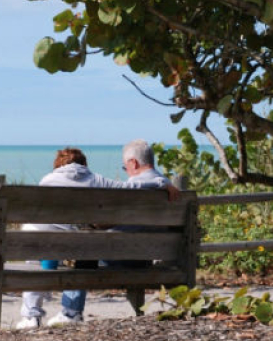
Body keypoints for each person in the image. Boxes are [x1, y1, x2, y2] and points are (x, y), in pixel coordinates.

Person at [16, 141, 177, 329]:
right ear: (84, 165)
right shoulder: (97, 180)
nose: (125, 171)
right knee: (84, 249)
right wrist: (163, 182)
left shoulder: (47, 180)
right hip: (146, 257)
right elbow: (132, 188)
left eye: (124, 167)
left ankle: (36, 316)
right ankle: (69, 312)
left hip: (44, 244)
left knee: (58, 258)